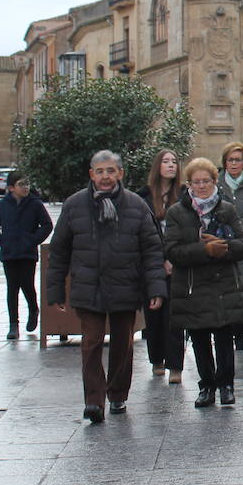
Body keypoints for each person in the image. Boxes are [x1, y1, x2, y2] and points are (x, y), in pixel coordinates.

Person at [45, 150, 166, 422]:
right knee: (91, 343)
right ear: (91, 175)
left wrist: (156, 288)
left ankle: (118, 394)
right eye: (100, 172)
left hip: (126, 286)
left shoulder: (136, 206)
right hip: (89, 287)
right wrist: (54, 291)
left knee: (123, 344)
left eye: (111, 171)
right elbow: (60, 250)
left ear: (120, 174)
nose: (105, 177)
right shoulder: (75, 205)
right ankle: (94, 400)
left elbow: (152, 250)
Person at [164, 157, 243, 408]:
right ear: (189, 184)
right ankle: (206, 386)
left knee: (224, 338)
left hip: (223, 284)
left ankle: (226, 385)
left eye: (206, 181)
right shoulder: (177, 212)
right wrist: (205, 251)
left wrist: (223, 248)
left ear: (215, 181)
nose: (201, 186)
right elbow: (171, 250)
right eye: (196, 182)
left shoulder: (226, 209)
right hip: (192, 286)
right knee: (199, 338)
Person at [137, 149, 186, 382]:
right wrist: (158, 260)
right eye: (165, 161)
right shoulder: (143, 196)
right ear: (157, 166)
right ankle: (156, 359)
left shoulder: (184, 195)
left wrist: (173, 259)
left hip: (177, 264)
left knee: (176, 317)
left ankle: (175, 365)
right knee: (154, 314)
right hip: (151, 264)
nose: (170, 165)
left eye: (174, 162)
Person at [0, 171, 52, 340]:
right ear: (11, 188)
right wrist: (0, 240)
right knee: (12, 287)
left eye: (27, 184)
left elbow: (46, 225)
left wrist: (33, 240)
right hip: (9, 253)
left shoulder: (35, 204)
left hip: (27, 253)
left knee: (27, 284)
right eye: (21, 184)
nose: (26, 187)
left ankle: (33, 308)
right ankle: (13, 324)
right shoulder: (2, 205)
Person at [217, 141, 243, 349]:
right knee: (231, 289)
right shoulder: (216, 185)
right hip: (224, 244)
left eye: (238, 160)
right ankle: (236, 331)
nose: (234, 164)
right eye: (230, 160)